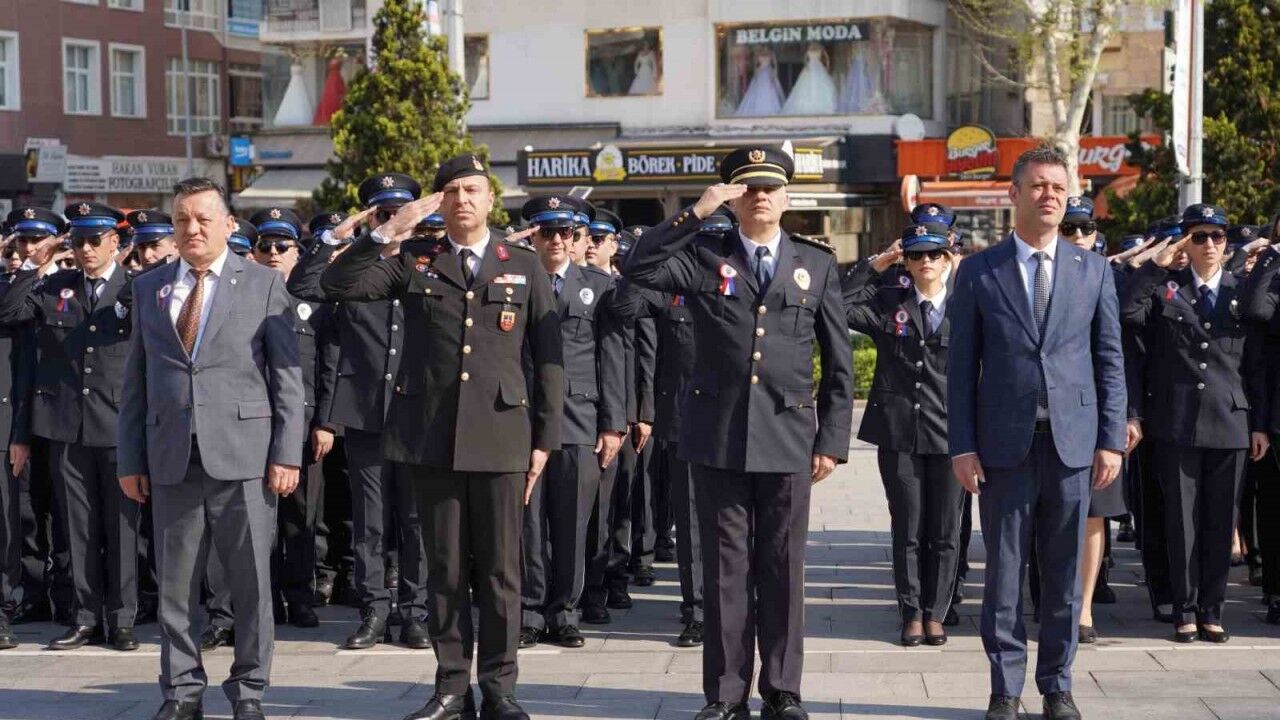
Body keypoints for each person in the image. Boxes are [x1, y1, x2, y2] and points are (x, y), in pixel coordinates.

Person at [320, 154, 564, 720]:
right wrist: (388, 231)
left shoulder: (522, 264)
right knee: (446, 571)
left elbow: (548, 359)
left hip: (502, 436)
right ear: (438, 202)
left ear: (490, 199)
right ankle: (452, 686)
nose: (463, 199)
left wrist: (544, 440)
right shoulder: (416, 259)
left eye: (473, 189)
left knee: (501, 572)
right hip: (432, 436)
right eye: (452, 191)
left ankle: (500, 688)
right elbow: (334, 284)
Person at [623, 146, 853, 720]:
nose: (761, 197)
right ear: (733, 197)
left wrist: (831, 440)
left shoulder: (816, 263)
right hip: (718, 435)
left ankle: (782, 689)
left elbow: (839, 361)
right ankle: (726, 694)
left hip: (788, 435)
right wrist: (695, 212)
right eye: (749, 188)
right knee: (725, 570)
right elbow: (639, 268)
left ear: (787, 197)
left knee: (783, 568)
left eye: (770, 187)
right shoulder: (704, 256)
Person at [948, 146, 1127, 720]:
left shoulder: (1093, 270)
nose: (1050, 195)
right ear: (1014, 194)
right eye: (1038, 186)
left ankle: (1057, 686)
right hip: (1004, 446)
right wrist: (962, 444)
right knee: (1004, 573)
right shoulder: (980, 270)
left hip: (1074, 445)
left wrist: (1110, 439)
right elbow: (961, 367)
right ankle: (1004, 689)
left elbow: (1110, 360)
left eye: (1058, 187)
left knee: (1063, 574)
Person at [117, 177, 304, 720]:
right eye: (182, 220)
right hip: (171, 455)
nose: (192, 229)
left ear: (228, 224)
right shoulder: (149, 287)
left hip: (245, 457)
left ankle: (249, 691)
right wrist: (131, 459)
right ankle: (181, 692)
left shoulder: (262, 283)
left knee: (250, 585)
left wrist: (286, 453)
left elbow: (287, 378)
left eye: (203, 218)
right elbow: (137, 380)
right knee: (176, 588)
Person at [287, 174, 429, 651]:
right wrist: (335, 237)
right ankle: (374, 611)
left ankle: (415, 613)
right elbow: (303, 286)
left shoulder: (427, 262)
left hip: (417, 413)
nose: (392, 221)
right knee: (370, 522)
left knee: (415, 520)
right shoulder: (350, 267)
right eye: (382, 213)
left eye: (398, 213)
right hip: (366, 411)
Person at [1120, 203, 1269, 644]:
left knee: (1220, 522)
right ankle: (1184, 609)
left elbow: (1256, 366)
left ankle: (1212, 610)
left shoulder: (1241, 293)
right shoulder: (1166, 289)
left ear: (1226, 243)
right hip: (1177, 421)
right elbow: (1127, 314)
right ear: (1185, 242)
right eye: (1198, 236)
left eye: (1216, 236)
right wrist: (1155, 267)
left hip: (1231, 421)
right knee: (1181, 522)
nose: (1209, 244)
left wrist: (1259, 424)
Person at [0, 203, 141, 652]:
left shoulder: (135, 288)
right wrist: (34, 262)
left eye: (94, 240)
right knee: (76, 530)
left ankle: (121, 619)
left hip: (118, 425)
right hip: (66, 426)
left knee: (121, 528)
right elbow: (9, 311)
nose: (85, 249)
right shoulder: (54, 286)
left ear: (114, 243)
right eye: (77, 241)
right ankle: (84, 618)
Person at [843, 224, 963, 647]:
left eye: (934, 254)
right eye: (915, 255)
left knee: (945, 530)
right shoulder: (889, 304)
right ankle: (911, 612)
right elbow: (838, 305)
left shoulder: (966, 306)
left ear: (947, 259)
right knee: (908, 527)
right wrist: (879, 262)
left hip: (951, 434)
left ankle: (936, 613)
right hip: (899, 434)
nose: (925, 261)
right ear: (906, 263)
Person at [517, 196, 626, 649]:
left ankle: (564, 612)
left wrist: (613, 423)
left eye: (566, 232)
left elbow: (612, 355)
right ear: (533, 237)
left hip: (580, 418)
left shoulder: (598, 287)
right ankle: (528, 611)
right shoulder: (514, 279)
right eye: (547, 232)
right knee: (527, 524)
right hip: (522, 419)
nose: (557, 240)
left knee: (572, 522)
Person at [250, 208, 339, 628]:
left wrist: (326, 422)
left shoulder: (314, 303)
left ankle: (301, 597)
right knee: (260, 520)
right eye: (264, 246)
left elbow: (328, 366)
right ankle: (264, 599)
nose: (272, 253)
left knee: (301, 518)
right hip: (254, 424)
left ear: (297, 253)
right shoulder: (243, 299)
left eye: (282, 246)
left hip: (303, 426)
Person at [0, 210, 42, 649]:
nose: (22, 251)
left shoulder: (36, 289)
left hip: (11, 424)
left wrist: (20, 432)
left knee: (8, 527)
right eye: (17, 244)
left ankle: (3, 610)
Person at [1238, 217, 1280, 621]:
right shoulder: (1273, 275)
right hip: (1275, 411)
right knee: (1273, 505)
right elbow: (1253, 309)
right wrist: (1271, 256)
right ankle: (1275, 588)